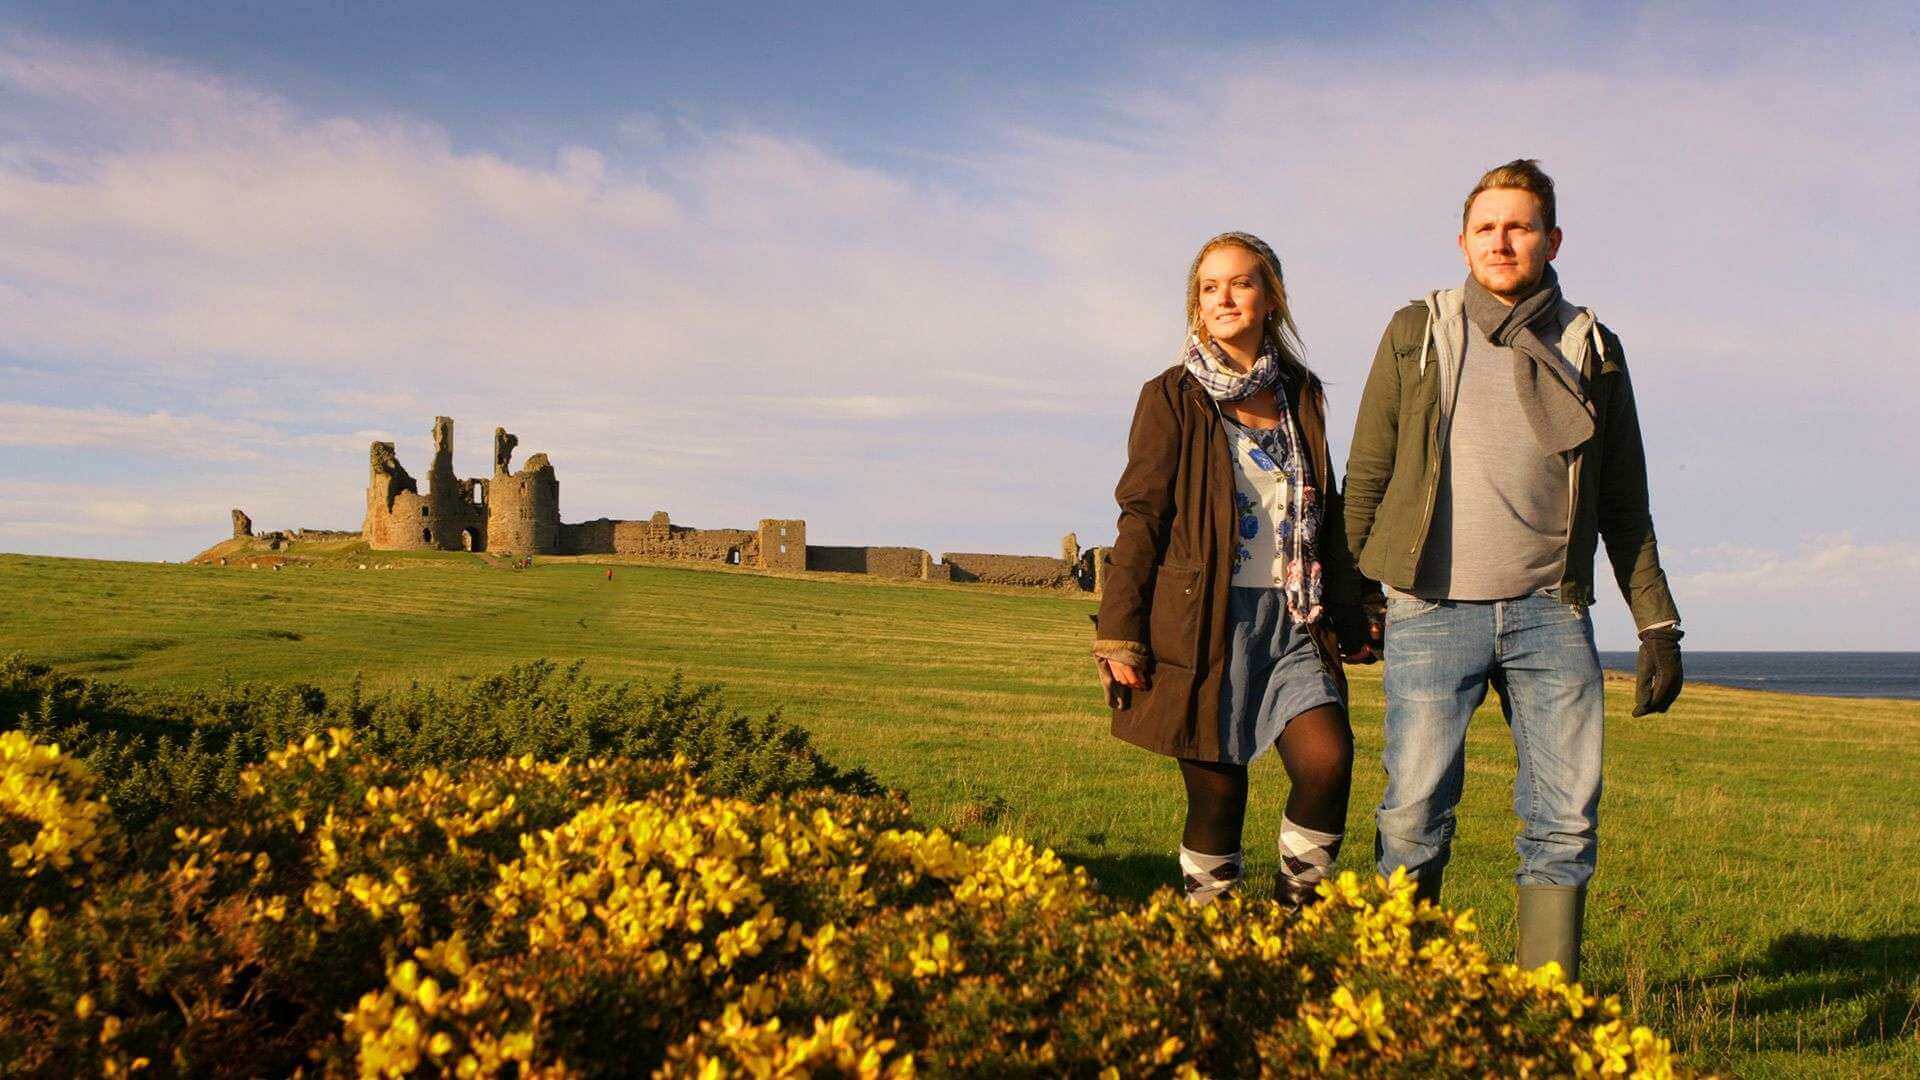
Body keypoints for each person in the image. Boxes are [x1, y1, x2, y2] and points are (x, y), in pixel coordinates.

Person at [1342, 160, 1683, 980]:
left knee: (1564, 820)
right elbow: (1367, 476)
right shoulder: (1415, 331)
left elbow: (1624, 501)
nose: (1503, 240)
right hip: (1430, 611)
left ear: (1551, 239)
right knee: (1414, 815)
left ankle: (1545, 1010)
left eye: (1521, 225)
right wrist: (1355, 593)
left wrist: (1657, 621)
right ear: (1463, 240)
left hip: (1550, 613)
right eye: (1488, 226)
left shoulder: (1592, 346)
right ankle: (1394, 1001)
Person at [1093, 232, 1380, 910]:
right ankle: (1213, 943)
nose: (1224, 297)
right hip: (1203, 625)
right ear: (1196, 307)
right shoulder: (1170, 397)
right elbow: (1142, 516)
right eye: (1209, 287)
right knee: (1219, 796)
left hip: (1295, 621)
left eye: (1240, 282)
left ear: (1269, 297)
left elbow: (1326, 513)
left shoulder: (1301, 393)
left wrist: (1356, 604)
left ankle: (1293, 920)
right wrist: (1118, 631)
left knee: (1327, 760)